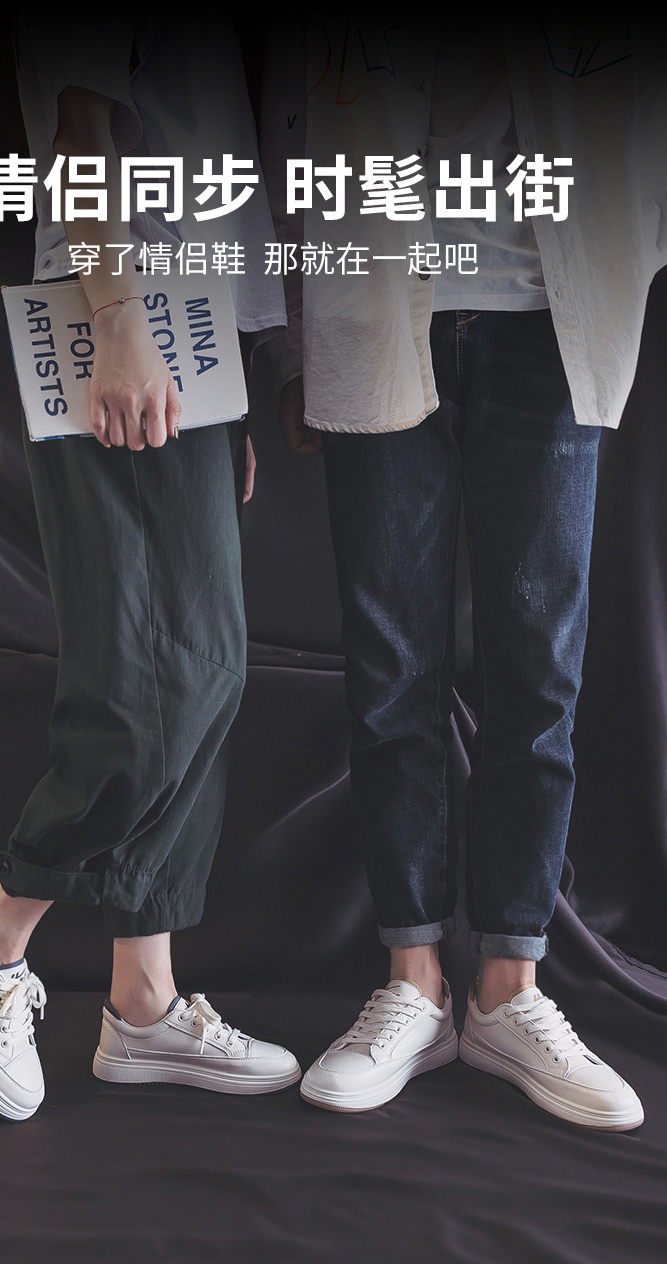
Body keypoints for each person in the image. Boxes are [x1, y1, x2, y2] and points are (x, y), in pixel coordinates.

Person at [0, 10, 300, 1121]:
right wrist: (119, 317)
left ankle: (144, 1003)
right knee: (152, 684)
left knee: (202, 672)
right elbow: (80, 124)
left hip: (187, 338)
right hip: (120, 320)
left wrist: (224, 397)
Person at [268, 12, 666, 1126]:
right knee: (389, 660)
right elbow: (287, 112)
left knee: (539, 662)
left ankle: (508, 989)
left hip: (554, 313)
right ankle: (413, 985)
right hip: (371, 304)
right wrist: (294, 342)